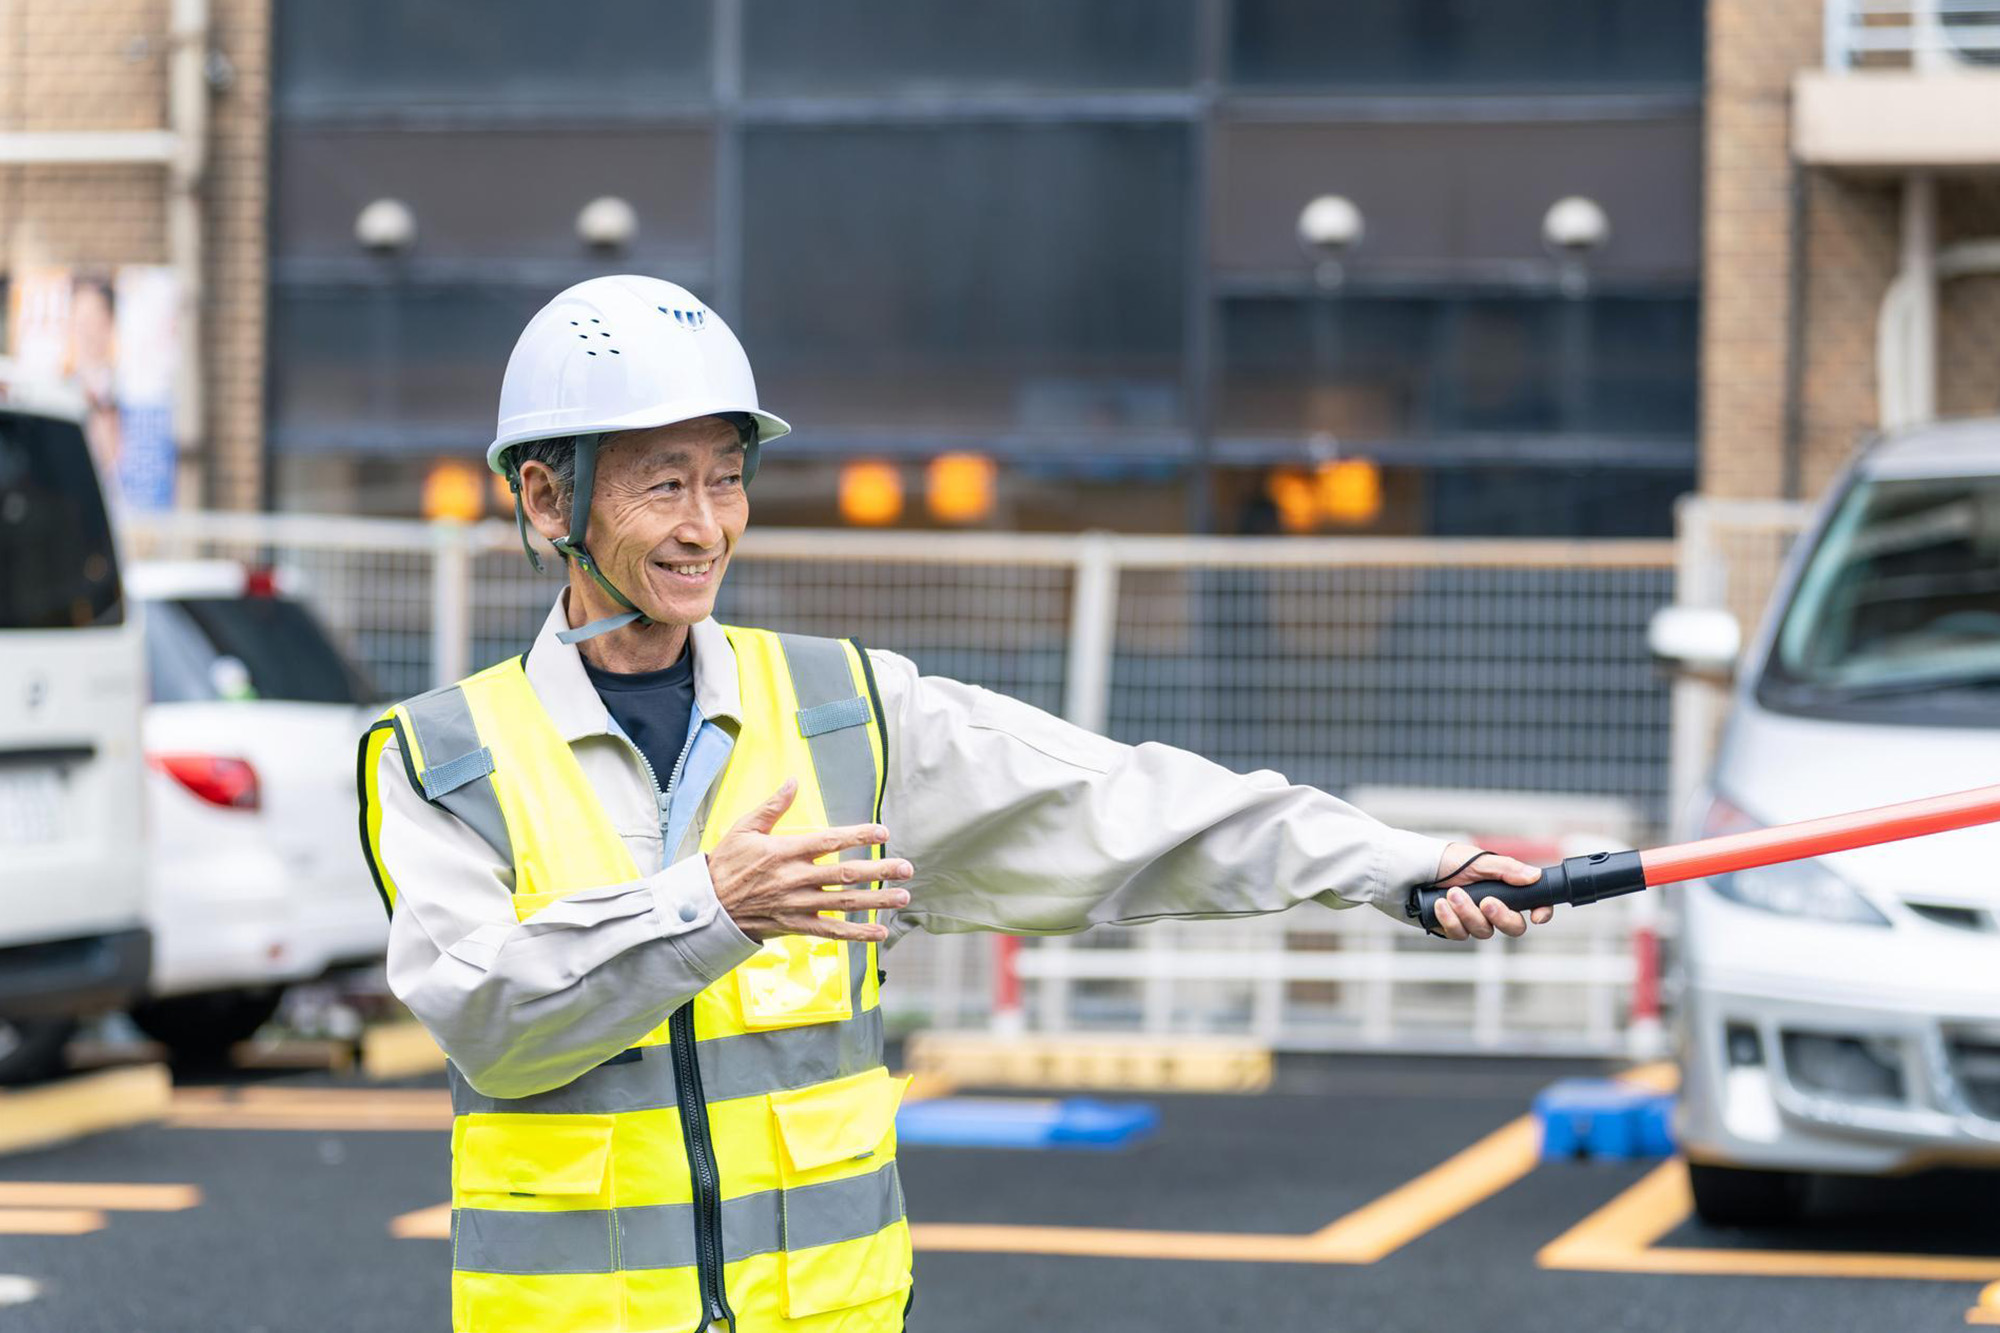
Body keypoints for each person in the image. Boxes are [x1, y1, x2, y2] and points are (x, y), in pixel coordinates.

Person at [358, 274, 1551, 1333]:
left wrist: (1400, 865)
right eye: (662, 483)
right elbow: (490, 1024)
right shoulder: (441, 757)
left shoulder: (846, 710)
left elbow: (1121, 804)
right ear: (546, 500)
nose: (705, 524)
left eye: (726, 479)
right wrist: (710, 908)